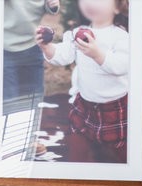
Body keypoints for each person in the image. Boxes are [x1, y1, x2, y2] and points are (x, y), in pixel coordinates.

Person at [41, 0, 131, 164]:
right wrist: (48, 48)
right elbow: (64, 55)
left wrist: (98, 54)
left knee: (118, 153)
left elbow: (121, 66)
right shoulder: (78, 33)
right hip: (85, 105)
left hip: (114, 108)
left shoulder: (121, 36)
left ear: (118, 7)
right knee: (79, 147)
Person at [1, 0, 59, 109]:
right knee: (10, 102)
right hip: (6, 49)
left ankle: (31, 124)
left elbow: (52, 7)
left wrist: (53, 5)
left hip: (32, 47)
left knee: (33, 101)